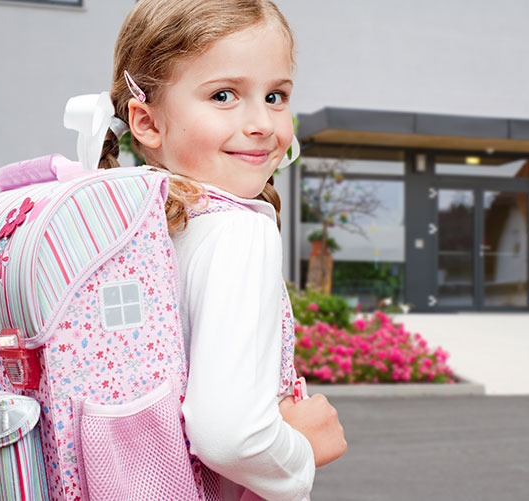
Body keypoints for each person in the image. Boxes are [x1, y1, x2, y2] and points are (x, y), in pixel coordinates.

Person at [96, 1, 347, 499]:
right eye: (225, 95)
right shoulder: (238, 232)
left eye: (276, 96)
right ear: (146, 122)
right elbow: (230, 436)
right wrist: (300, 450)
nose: (262, 123)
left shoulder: (127, 228)